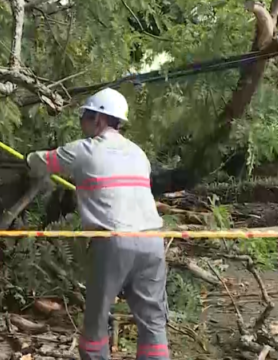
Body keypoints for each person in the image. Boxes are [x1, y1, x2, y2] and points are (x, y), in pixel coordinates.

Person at [25, 88, 170, 360]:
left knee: (97, 319)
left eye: (85, 118)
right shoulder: (138, 154)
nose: (82, 124)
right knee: (153, 321)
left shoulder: (84, 150)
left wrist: (26, 159)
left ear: (99, 120)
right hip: (153, 240)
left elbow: (42, 163)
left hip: (114, 242)